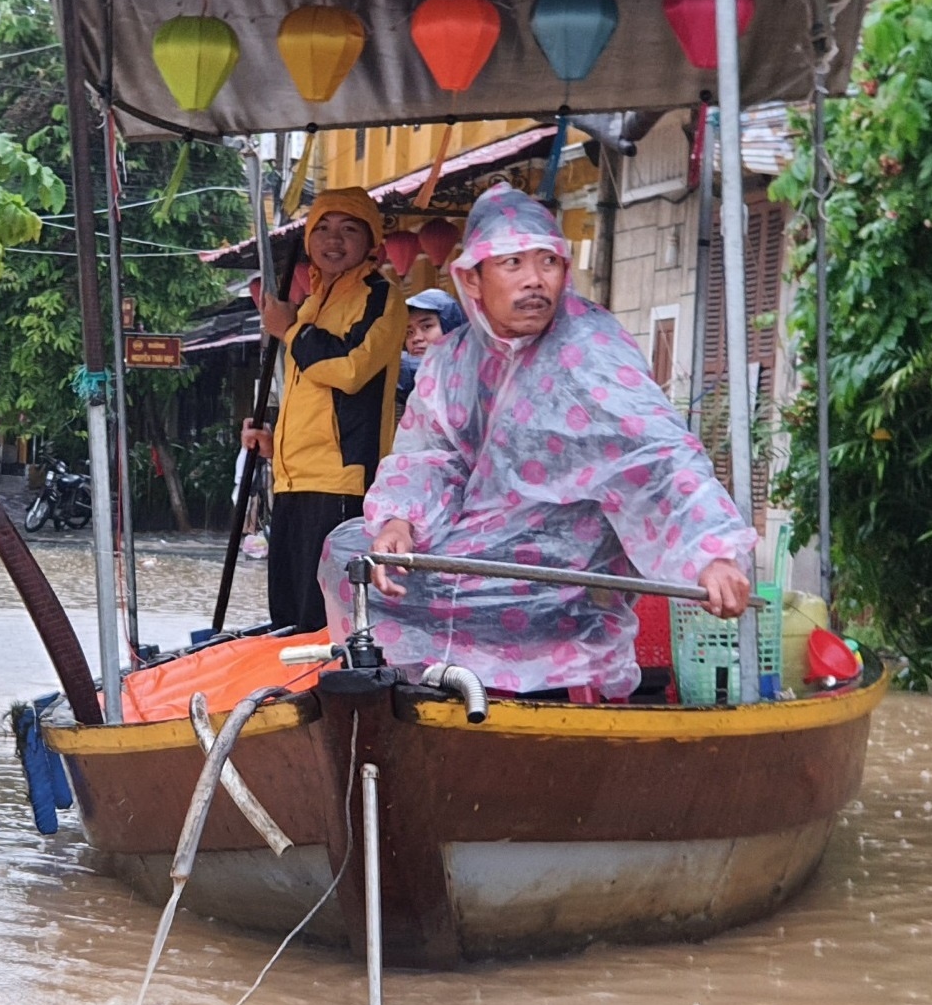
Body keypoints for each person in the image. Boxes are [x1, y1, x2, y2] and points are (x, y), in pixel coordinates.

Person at [317, 185, 755, 699]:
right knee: (348, 552)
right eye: (512, 263)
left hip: (564, 556)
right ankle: (418, 686)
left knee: (487, 584)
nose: (534, 280)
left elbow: (659, 456)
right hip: (475, 537)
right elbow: (430, 456)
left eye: (548, 262)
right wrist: (399, 522)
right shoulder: (452, 358)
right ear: (473, 278)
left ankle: (525, 685)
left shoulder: (590, 349)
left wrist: (713, 554)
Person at [240, 187, 408, 633]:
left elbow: (350, 370)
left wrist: (291, 331)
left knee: (326, 618)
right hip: (294, 480)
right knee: (288, 612)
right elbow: (314, 397)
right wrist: (274, 443)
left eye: (349, 229)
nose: (333, 240)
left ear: (371, 241)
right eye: (323, 229)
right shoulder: (311, 304)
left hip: (341, 481)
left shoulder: (381, 296)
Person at [396, 287, 465, 415]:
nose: (416, 338)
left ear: (451, 327)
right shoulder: (409, 379)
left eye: (426, 326)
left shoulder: (471, 369)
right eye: (409, 332)